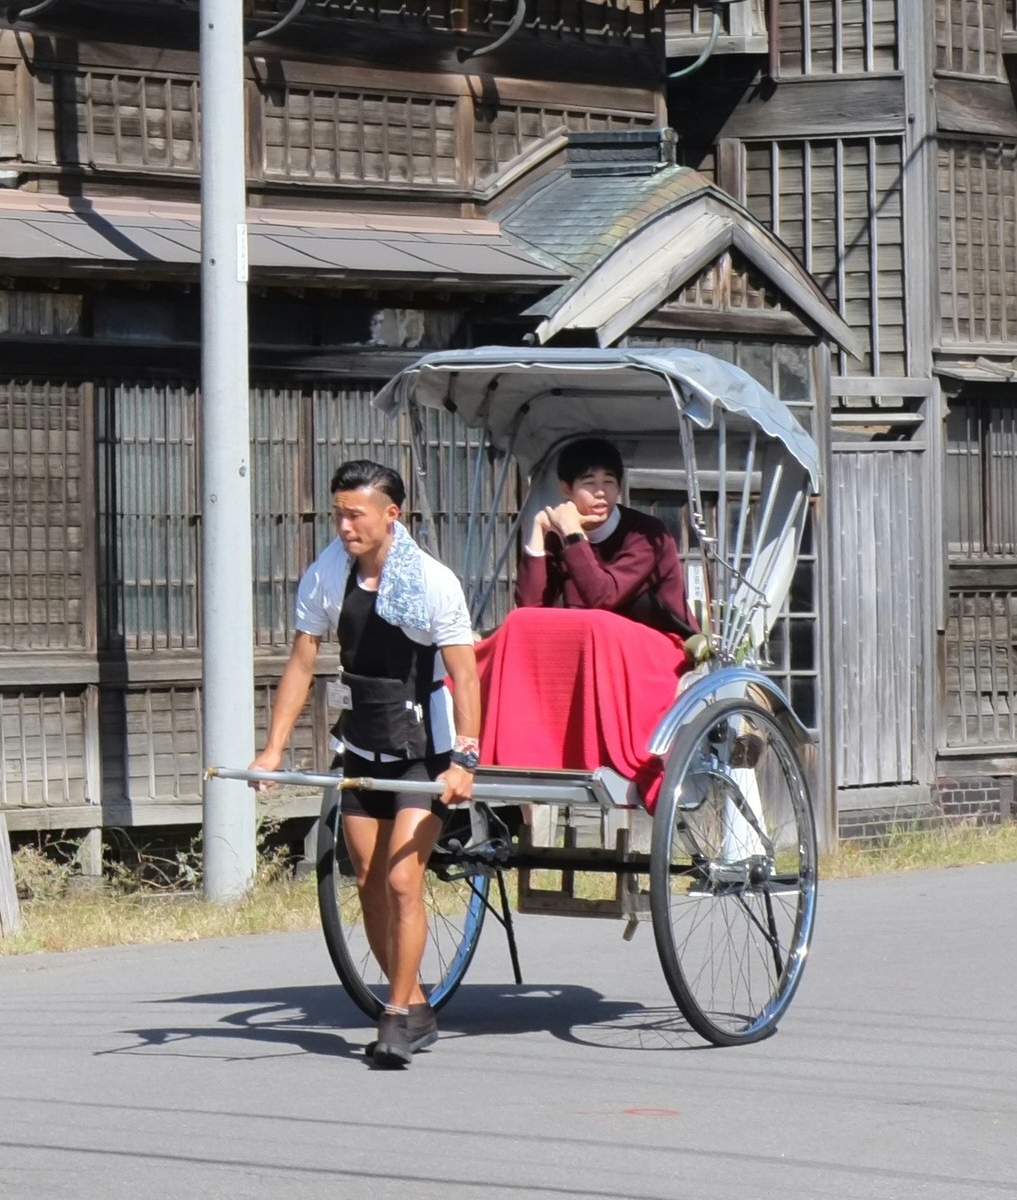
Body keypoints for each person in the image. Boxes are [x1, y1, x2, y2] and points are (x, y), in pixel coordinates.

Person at [258, 457, 488, 1069]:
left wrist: (466, 757)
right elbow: (302, 663)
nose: (343, 525)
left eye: (354, 514)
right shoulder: (328, 574)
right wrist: (273, 747)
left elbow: (465, 675)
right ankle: (413, 1002)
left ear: (392, 515)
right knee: (365, 879)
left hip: (424, 750)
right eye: (338, 512)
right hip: (362, 742)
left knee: (401, 879)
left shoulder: (433, 582)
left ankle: (393, 1015)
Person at [515, 436, 694, 646]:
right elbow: (529, 608)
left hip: (660, 646)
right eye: (589, 483)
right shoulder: (560, 534)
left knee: (594, 625)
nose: (600, 493)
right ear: (566, 489)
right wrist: (538, 528)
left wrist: (573, 534)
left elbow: (602, 598)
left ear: (619, 486)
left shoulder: (646, 534)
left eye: (608, 482)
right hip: (590, 644)